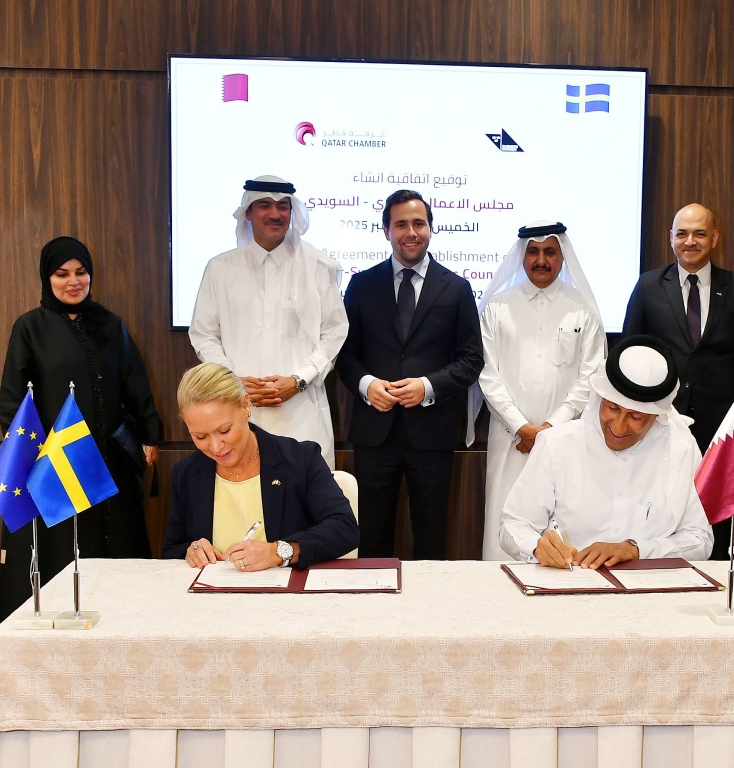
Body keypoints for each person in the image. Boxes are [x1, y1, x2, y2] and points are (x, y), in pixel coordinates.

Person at [0, 236, 163, 622]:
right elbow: (12, 400)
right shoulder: (30, 328)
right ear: (46, 278)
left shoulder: (110, 323)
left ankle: (124, 621)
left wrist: (151, 434)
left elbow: (136, 383)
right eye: (62, 274)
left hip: (108, 459)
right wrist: (28, 456)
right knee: (60, 548)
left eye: (81, 272)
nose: (74, 281)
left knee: (118, 541)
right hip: (53, 462)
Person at [336, 189, 483, 559]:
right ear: (386, 230)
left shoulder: (457, 288)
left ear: (431, 228)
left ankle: (429, 614)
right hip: (375, 432)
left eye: (419, 223)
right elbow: (344, 354)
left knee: (432, 536)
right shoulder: (361, 285)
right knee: (371, 535)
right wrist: (368, 386)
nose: (411, 232)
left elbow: (471, 359)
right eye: (401, 224)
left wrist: (428, 386)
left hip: (431, 434)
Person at [620, 202, 734, 558]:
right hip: (659, 422)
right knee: (657, 509)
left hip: (721, 428)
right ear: (671, 238)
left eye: (699, 233)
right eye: (682, 233)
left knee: (713, 514)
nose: (690, 241)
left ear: (714, 238)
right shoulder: (649, 285)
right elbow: (628, 354)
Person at [500, 337, 713, 567]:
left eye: (635, 417)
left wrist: (636, 549)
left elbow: (700, 540)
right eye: (612, 408)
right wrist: (536, 545)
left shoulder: (681, 450)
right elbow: (513, 524)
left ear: (655, 417)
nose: (618, 427)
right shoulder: (557, 444)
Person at [187, 175, 348, 468]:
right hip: (236, 412)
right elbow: (203, 334)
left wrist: (298, 380)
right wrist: (232, 380)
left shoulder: (318, 266)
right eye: (264, 205)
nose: (275, 214)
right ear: (248, 212)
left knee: (305, 502)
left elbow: (335, 333)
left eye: (283, 206)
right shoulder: (220, 269)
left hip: (302, 412)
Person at [474, 221, 605, 559]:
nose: (541, 260)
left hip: (567, 438)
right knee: (504, 524)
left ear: (562, 257)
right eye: (533, 251)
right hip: (511, 440)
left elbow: (591, 376)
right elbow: (487, 374)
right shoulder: (497, 307)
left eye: (550, 251)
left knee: (562, 523)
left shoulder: (583, 310)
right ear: (522, 256)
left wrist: (550, 430)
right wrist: (522, 427)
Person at [163, 363, 358, 569]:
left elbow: (344, 529)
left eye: (225, 430)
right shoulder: (186, 473)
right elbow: (172, 549)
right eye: (200, 436)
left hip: (287, 595)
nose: (215, 447)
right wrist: (191, 551)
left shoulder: (300, 459)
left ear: (246, 406)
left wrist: (278, 551)